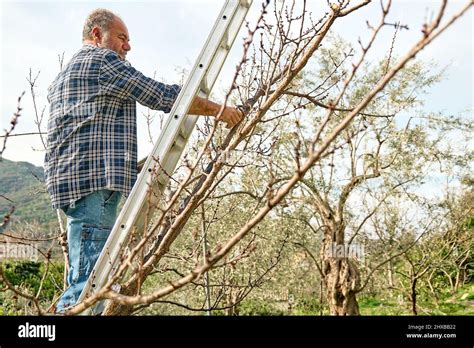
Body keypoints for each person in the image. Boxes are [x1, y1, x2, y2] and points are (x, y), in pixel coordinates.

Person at [44, 8, 242, 313]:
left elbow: (87, 133)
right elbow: (162, 96)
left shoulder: (64, 75)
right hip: (95, 186)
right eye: (122, 37)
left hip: (73, 185)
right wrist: (220, 110)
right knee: (84, 292)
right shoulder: (102, 61)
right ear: (97, 35)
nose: (128, 46)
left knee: (85, 279)